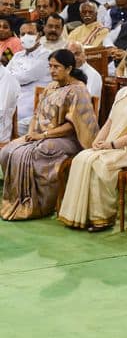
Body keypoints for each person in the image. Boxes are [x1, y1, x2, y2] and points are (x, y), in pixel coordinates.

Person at [58, 49, 127, 232]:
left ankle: (102, 218)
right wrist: (98, 141)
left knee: (100, 164)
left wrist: (112, 145)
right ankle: (80, 216)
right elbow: (110, 121)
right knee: (82, 157)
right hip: (115, 145)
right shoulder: (123, 92)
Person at [0, 49, 98, 220]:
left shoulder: (78, 90)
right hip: (40, 134)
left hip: (67, 139)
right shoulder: (51, 86)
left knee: (33, 154)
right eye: (50, 66)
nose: (52, 70)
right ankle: (15, 200)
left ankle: (41, 205)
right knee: (7, 151)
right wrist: (31, 133)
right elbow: (37, 114)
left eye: (57, 67)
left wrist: (43, 135)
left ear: (68, 68)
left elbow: (72, 126)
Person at [8, 22, 51, 135]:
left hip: (31, 114)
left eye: (30, 33)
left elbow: (25, 77)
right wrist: (14, 76)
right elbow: (4, 77)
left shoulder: (46, 55)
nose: (26, 37)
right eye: (23, 34)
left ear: (39, 35)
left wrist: (13, 74)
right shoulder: (17, 56)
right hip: (11, 107)